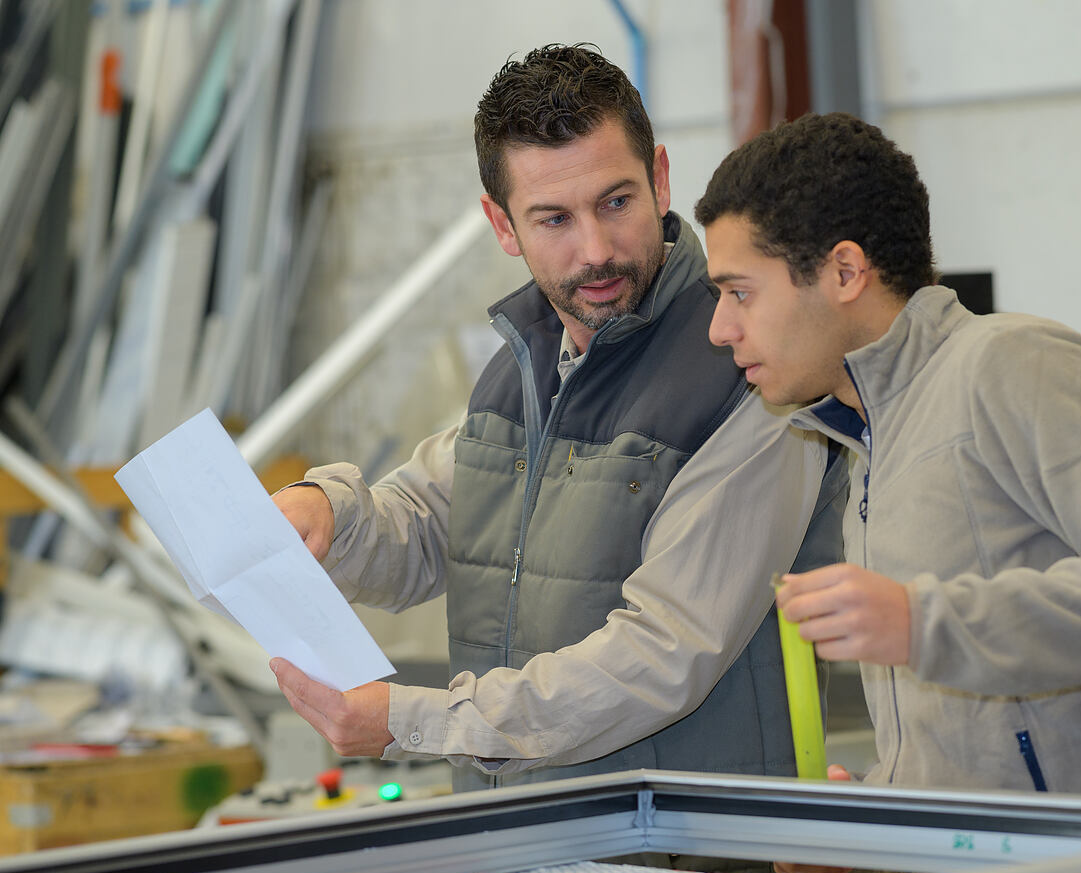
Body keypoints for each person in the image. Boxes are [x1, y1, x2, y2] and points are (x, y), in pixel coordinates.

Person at [269, 46, 847, 793]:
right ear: (502, 225)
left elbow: (661, 655)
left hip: (682, 855)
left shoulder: (746, 374)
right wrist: (329, 515)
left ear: (661, 179)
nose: (597, 250)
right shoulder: (522, 368)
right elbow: (422, 528)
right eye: (554, 219)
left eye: (616, 202)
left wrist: (419, 720)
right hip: (524, 841)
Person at [694, 112, 1081, 801]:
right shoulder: (864, 442)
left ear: (845, 270)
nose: (720, 328)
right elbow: (977, 736)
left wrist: (922, 620)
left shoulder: (1011, 363)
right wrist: (867, 823)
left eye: (739, 293)